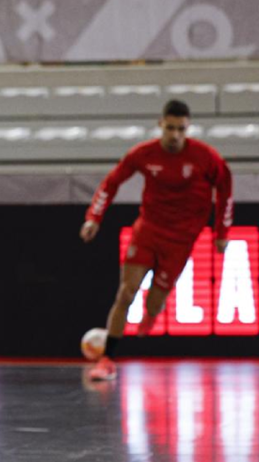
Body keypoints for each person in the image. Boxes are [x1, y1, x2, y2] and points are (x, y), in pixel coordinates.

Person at [80, 99, 232, 381]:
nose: (174, 135)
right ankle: (107, 359)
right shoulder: (143, 154)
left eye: (181, 129)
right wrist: (94, 218)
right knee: (126, 292)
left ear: (188, 128)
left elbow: (225, 190)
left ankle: (150, 314)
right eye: (170, 128)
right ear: (160, 124)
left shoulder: (206, 157)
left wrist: (222, 232)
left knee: (153, 305)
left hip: (181, 239)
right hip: (148, 230)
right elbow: (111, 182)